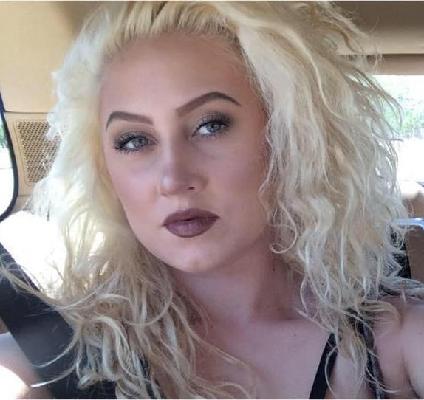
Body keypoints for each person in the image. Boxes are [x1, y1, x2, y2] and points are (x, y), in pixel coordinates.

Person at [1, 1, 424, 398]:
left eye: (210, 125)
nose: (173, 178)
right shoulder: (55, 355)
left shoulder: (394, 340)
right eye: (134, 141)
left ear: (287, 137)